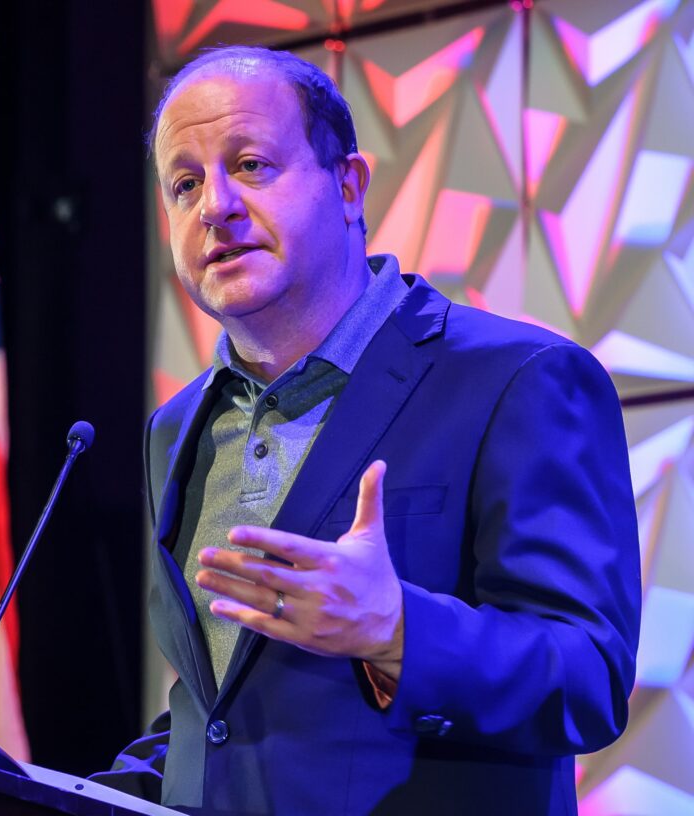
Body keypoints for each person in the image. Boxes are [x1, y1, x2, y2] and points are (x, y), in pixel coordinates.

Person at [91, 46, 641, 816]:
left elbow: (589, 678)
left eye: (250, 166)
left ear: (348, 185)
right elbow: (226, 709)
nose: (213, 205)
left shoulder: (521, 379)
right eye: (185, 184)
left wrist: (398, 629)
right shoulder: (177, 427)